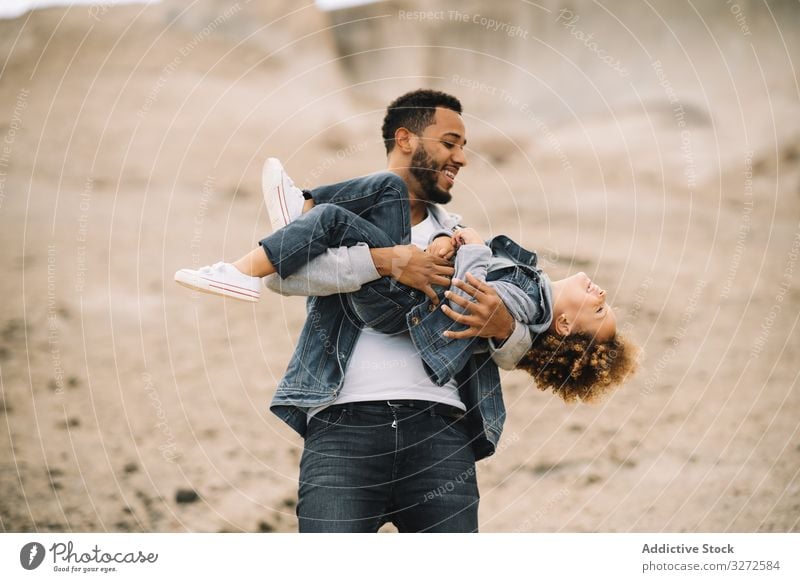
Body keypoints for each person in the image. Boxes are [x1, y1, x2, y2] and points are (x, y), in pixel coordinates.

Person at [175, 90, 636, 531]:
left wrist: (502, 321)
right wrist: (389, 261)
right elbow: (281, 275)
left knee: (344, 213)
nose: (462, 158)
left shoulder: (464, 235)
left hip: (439, 434)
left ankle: (300, 209)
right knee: (368, 201)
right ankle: (292, 220)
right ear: (406, 139)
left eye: (464, 146)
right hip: (341, 425)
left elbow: (517, 335)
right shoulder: (410, 229)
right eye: (450, 143)